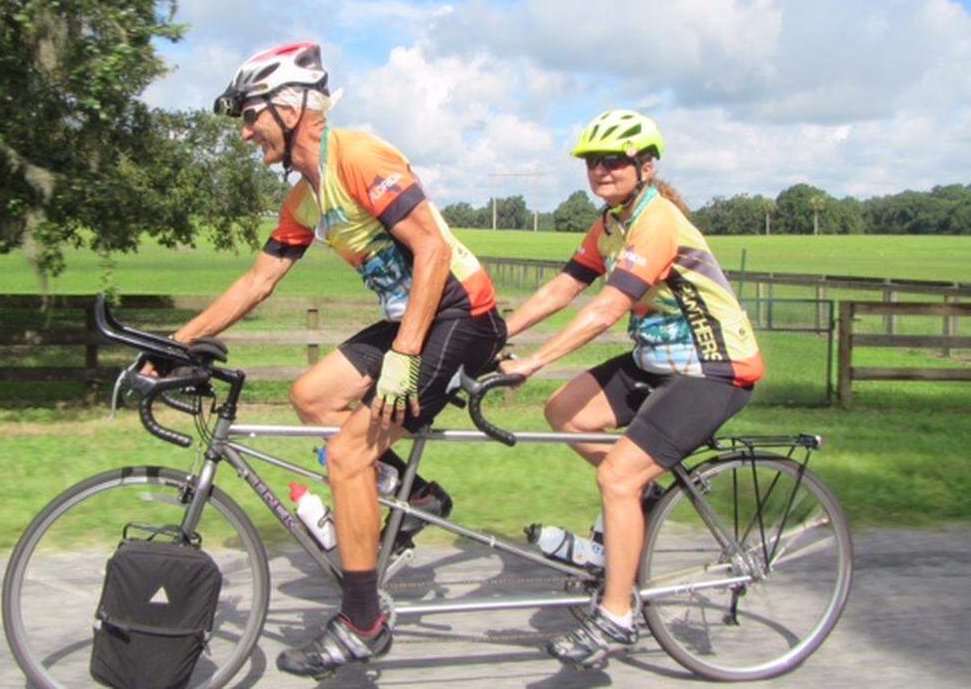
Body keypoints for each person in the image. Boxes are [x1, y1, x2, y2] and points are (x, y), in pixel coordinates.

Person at [159, 43, 506, 677]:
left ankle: (362, 621)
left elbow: (429, 250)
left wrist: (403, 358)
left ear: (290, 110)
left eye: (250, 115)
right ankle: (416, 496)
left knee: (348, 455)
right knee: (311, 395)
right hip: (414, 321)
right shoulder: (303, 198)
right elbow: (257, 282)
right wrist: (176, 344)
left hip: (462, 317)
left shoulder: (360, 156)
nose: (244, 132)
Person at [499, 109, 764, 667]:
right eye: (593, 161)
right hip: (657, 361)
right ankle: (640, 500)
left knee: (617, 474)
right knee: (565, 412)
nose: (601, 170)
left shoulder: (657, 220)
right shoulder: (611, 223)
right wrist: (496, 335)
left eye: (614, 160)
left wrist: (536, 360)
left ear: (645, 166)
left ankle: (616, 617)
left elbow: (608, 307)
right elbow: (564, 287)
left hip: (714, 368)